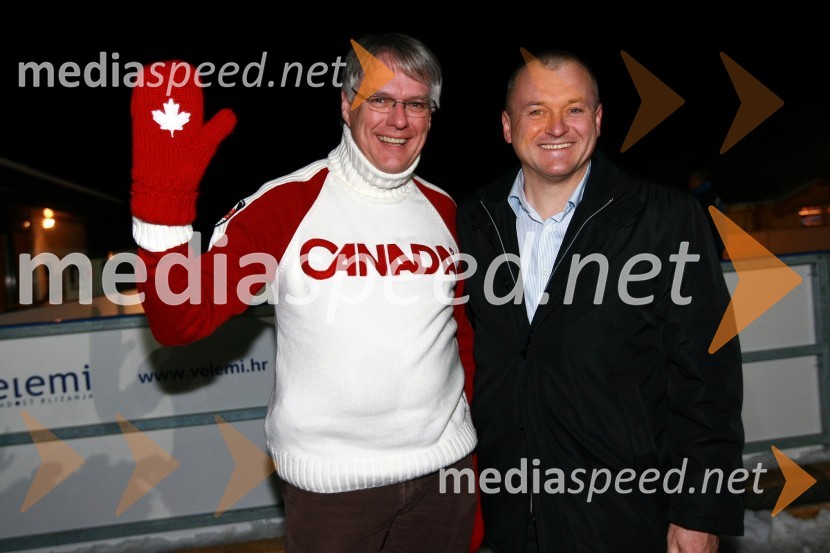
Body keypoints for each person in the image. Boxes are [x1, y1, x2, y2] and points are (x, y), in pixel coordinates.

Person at [129, 33, 480, 552]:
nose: (398, 120)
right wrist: (162, 213)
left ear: (432, 114)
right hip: (335, 491)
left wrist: (467, 469)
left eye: (415, 104)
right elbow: (179, 322)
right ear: (345, 104)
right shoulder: (286, 206)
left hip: (444, 480)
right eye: (379, 100)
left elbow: (460, 342)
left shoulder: (447, 211)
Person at [456, 50, 744, 552]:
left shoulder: (665, 220)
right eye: (535, 110)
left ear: (599, 119)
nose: (556, 126)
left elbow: (708, 379)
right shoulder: (471, 224)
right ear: (507, 126)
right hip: (510, 518)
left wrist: (700, 511)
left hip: (627, 518)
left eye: (574, 108)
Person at [688, 169, 726, 258]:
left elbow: (707, 223)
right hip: (715, 242)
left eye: (692, 181)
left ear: (700, 180)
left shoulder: (703, 198)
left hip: (710, 243)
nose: (689, 183)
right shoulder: (711, 195)